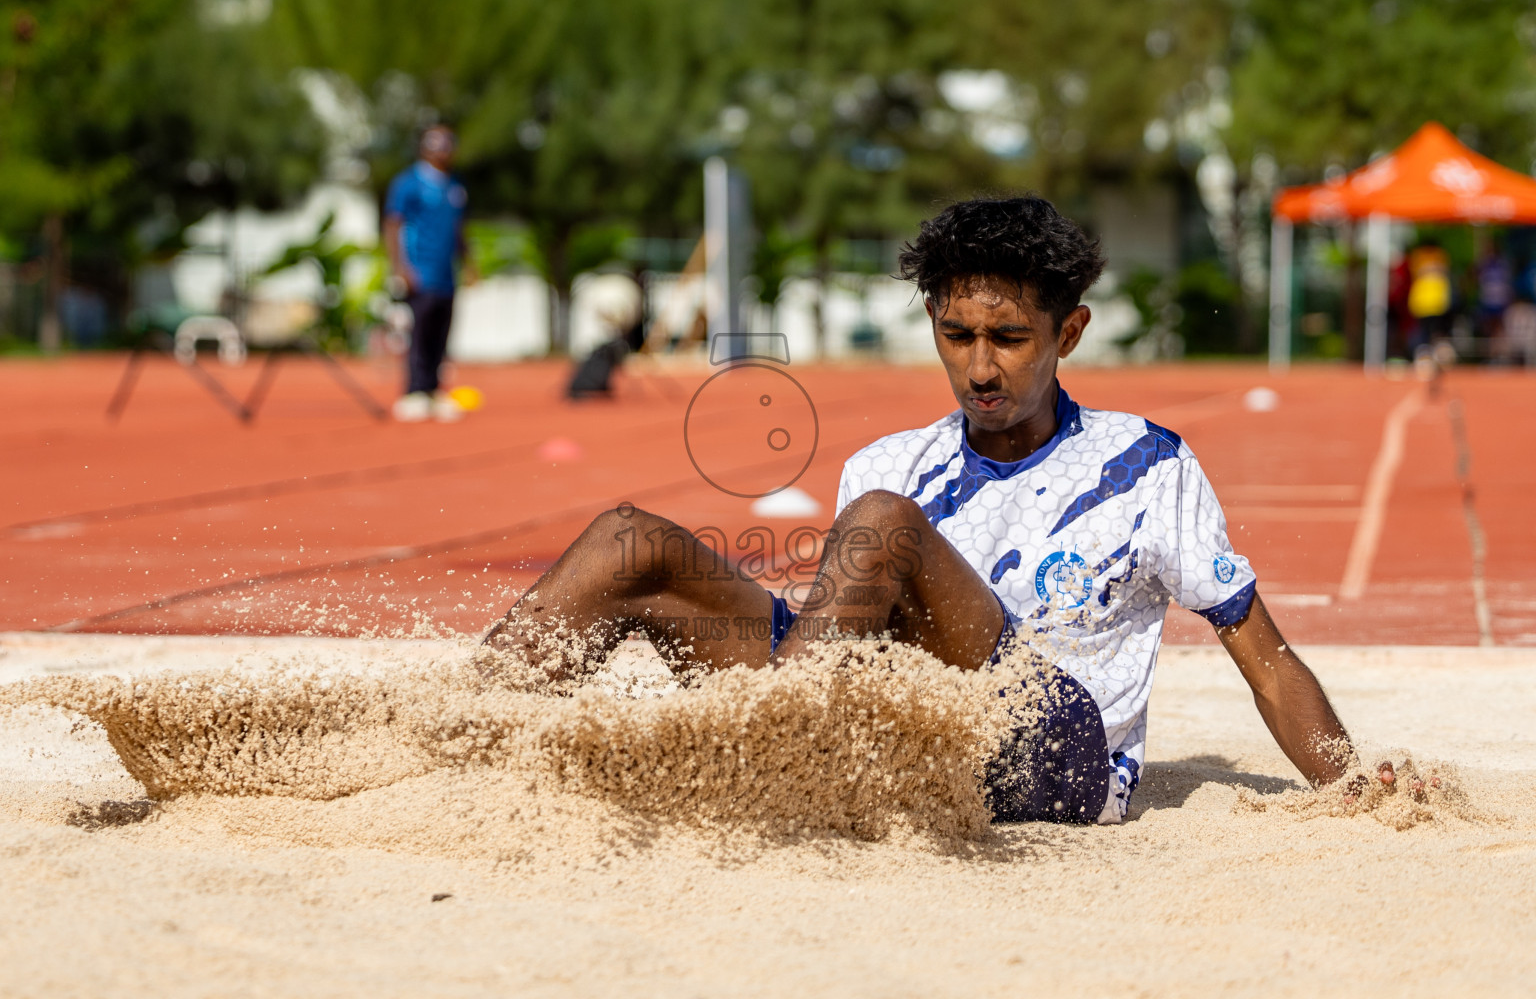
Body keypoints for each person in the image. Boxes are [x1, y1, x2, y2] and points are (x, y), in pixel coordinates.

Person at [479, 196, 1382, 825]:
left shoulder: (1147, 464)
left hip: (1056, 750)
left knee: (883, 519)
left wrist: (1357, 790)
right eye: (958, 336)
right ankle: (449, 739)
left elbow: (1264, 658)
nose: (980, 368)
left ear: (1068, 333)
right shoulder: (891, 459)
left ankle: (763, 758)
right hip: (893, 732)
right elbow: (849, 647)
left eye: (1009, 339)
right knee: (627, 540)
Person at [384, 125, 476, 422]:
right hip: (419, 271)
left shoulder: (454, 186)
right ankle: (414, 392)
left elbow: (458, 228)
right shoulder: (408, 183)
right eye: (437, 145)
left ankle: (434, 391)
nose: (443, 151)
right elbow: (393, 224)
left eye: (448, 145)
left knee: (441, 333)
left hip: (446, 273)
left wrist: (470, 263)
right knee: (420, 333)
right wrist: (400, 267)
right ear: (425, 148)